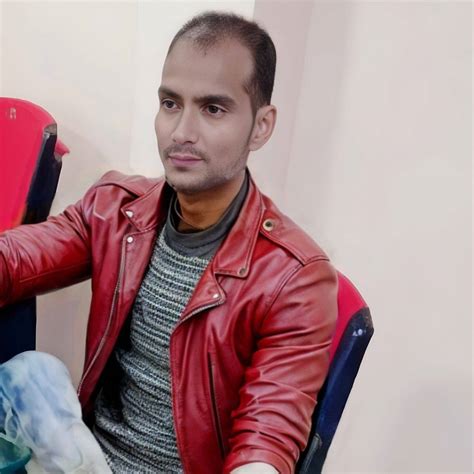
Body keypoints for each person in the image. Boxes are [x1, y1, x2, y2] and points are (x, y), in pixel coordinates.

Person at [0, 11, 338, 474]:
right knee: (31, 374)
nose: (181, 132)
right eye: (171, 103)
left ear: (261, 125)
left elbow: (268, 438)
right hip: (89, 460)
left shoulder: (295, 278)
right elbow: (17, 259)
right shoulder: (117, 208)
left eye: (213, 109)